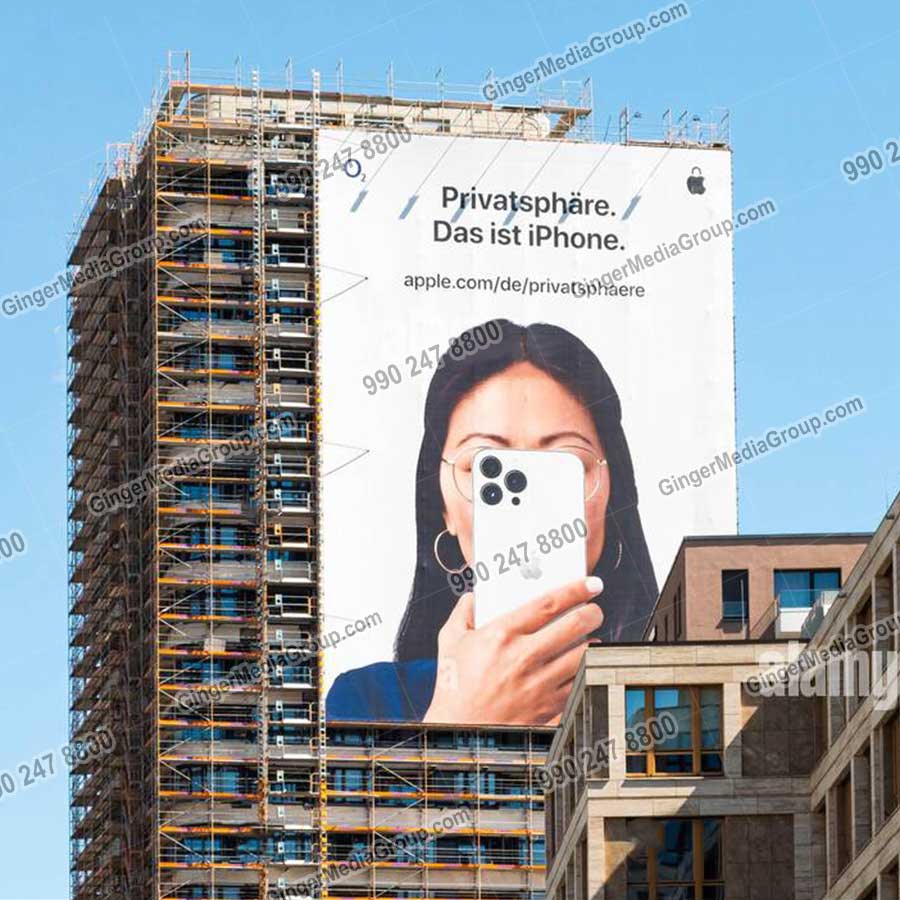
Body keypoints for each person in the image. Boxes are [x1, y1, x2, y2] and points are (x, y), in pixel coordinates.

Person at [327, 319, 658, 724]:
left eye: (567, 462)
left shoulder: (669, 698)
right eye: (486, 466)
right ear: (443, 506)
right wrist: (457, 720)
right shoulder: (368, 701)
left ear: (612, 492)